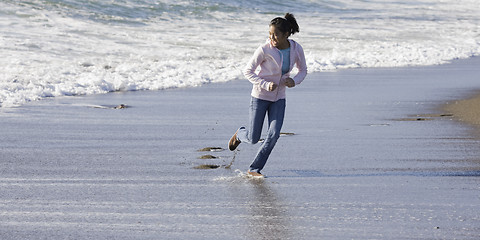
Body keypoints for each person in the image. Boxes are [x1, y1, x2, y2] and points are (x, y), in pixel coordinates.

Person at [228, 13, 308, 177]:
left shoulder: (296, 48)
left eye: (275, 34)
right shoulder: (264, 49)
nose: (271, 37)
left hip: (279, 99)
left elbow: (303, 70)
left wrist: (295, 81)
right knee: (253, 138)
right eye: (270, 34)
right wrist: (264, 84)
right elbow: (248, 71)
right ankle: (240, 134)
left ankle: (254, 169)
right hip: (259, 97)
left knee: (274, 135)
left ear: (286, 34)